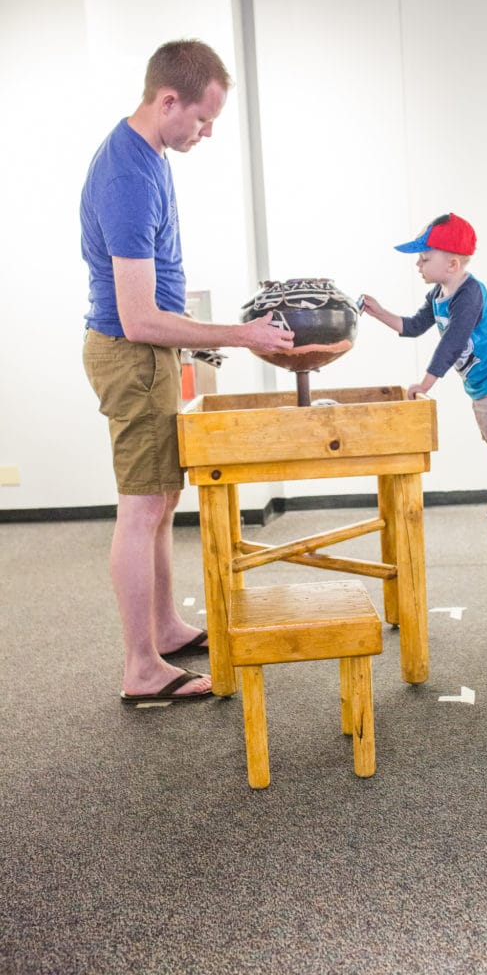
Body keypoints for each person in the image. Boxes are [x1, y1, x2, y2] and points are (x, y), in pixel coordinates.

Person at [81, 39, 295, 702]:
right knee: (142, 508)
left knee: (163, 498)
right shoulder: (127, 178)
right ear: (167, 100)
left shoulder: (150, 156)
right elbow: (139, 316)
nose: (205, 134)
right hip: (132, 354)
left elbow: (156, 291)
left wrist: (195, 342)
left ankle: (167, 628)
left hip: (151, 355)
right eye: (202, 120)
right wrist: (241, 333)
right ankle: (142, 668)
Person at [362, 212, 487, 525]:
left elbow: (452, 342)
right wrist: (377, 311)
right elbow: (412, 326)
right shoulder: (438, 295)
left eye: (424, 258)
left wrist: (425, 383)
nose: (418, 265)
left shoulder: (470, 294)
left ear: (452, 265)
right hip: (482, 385)